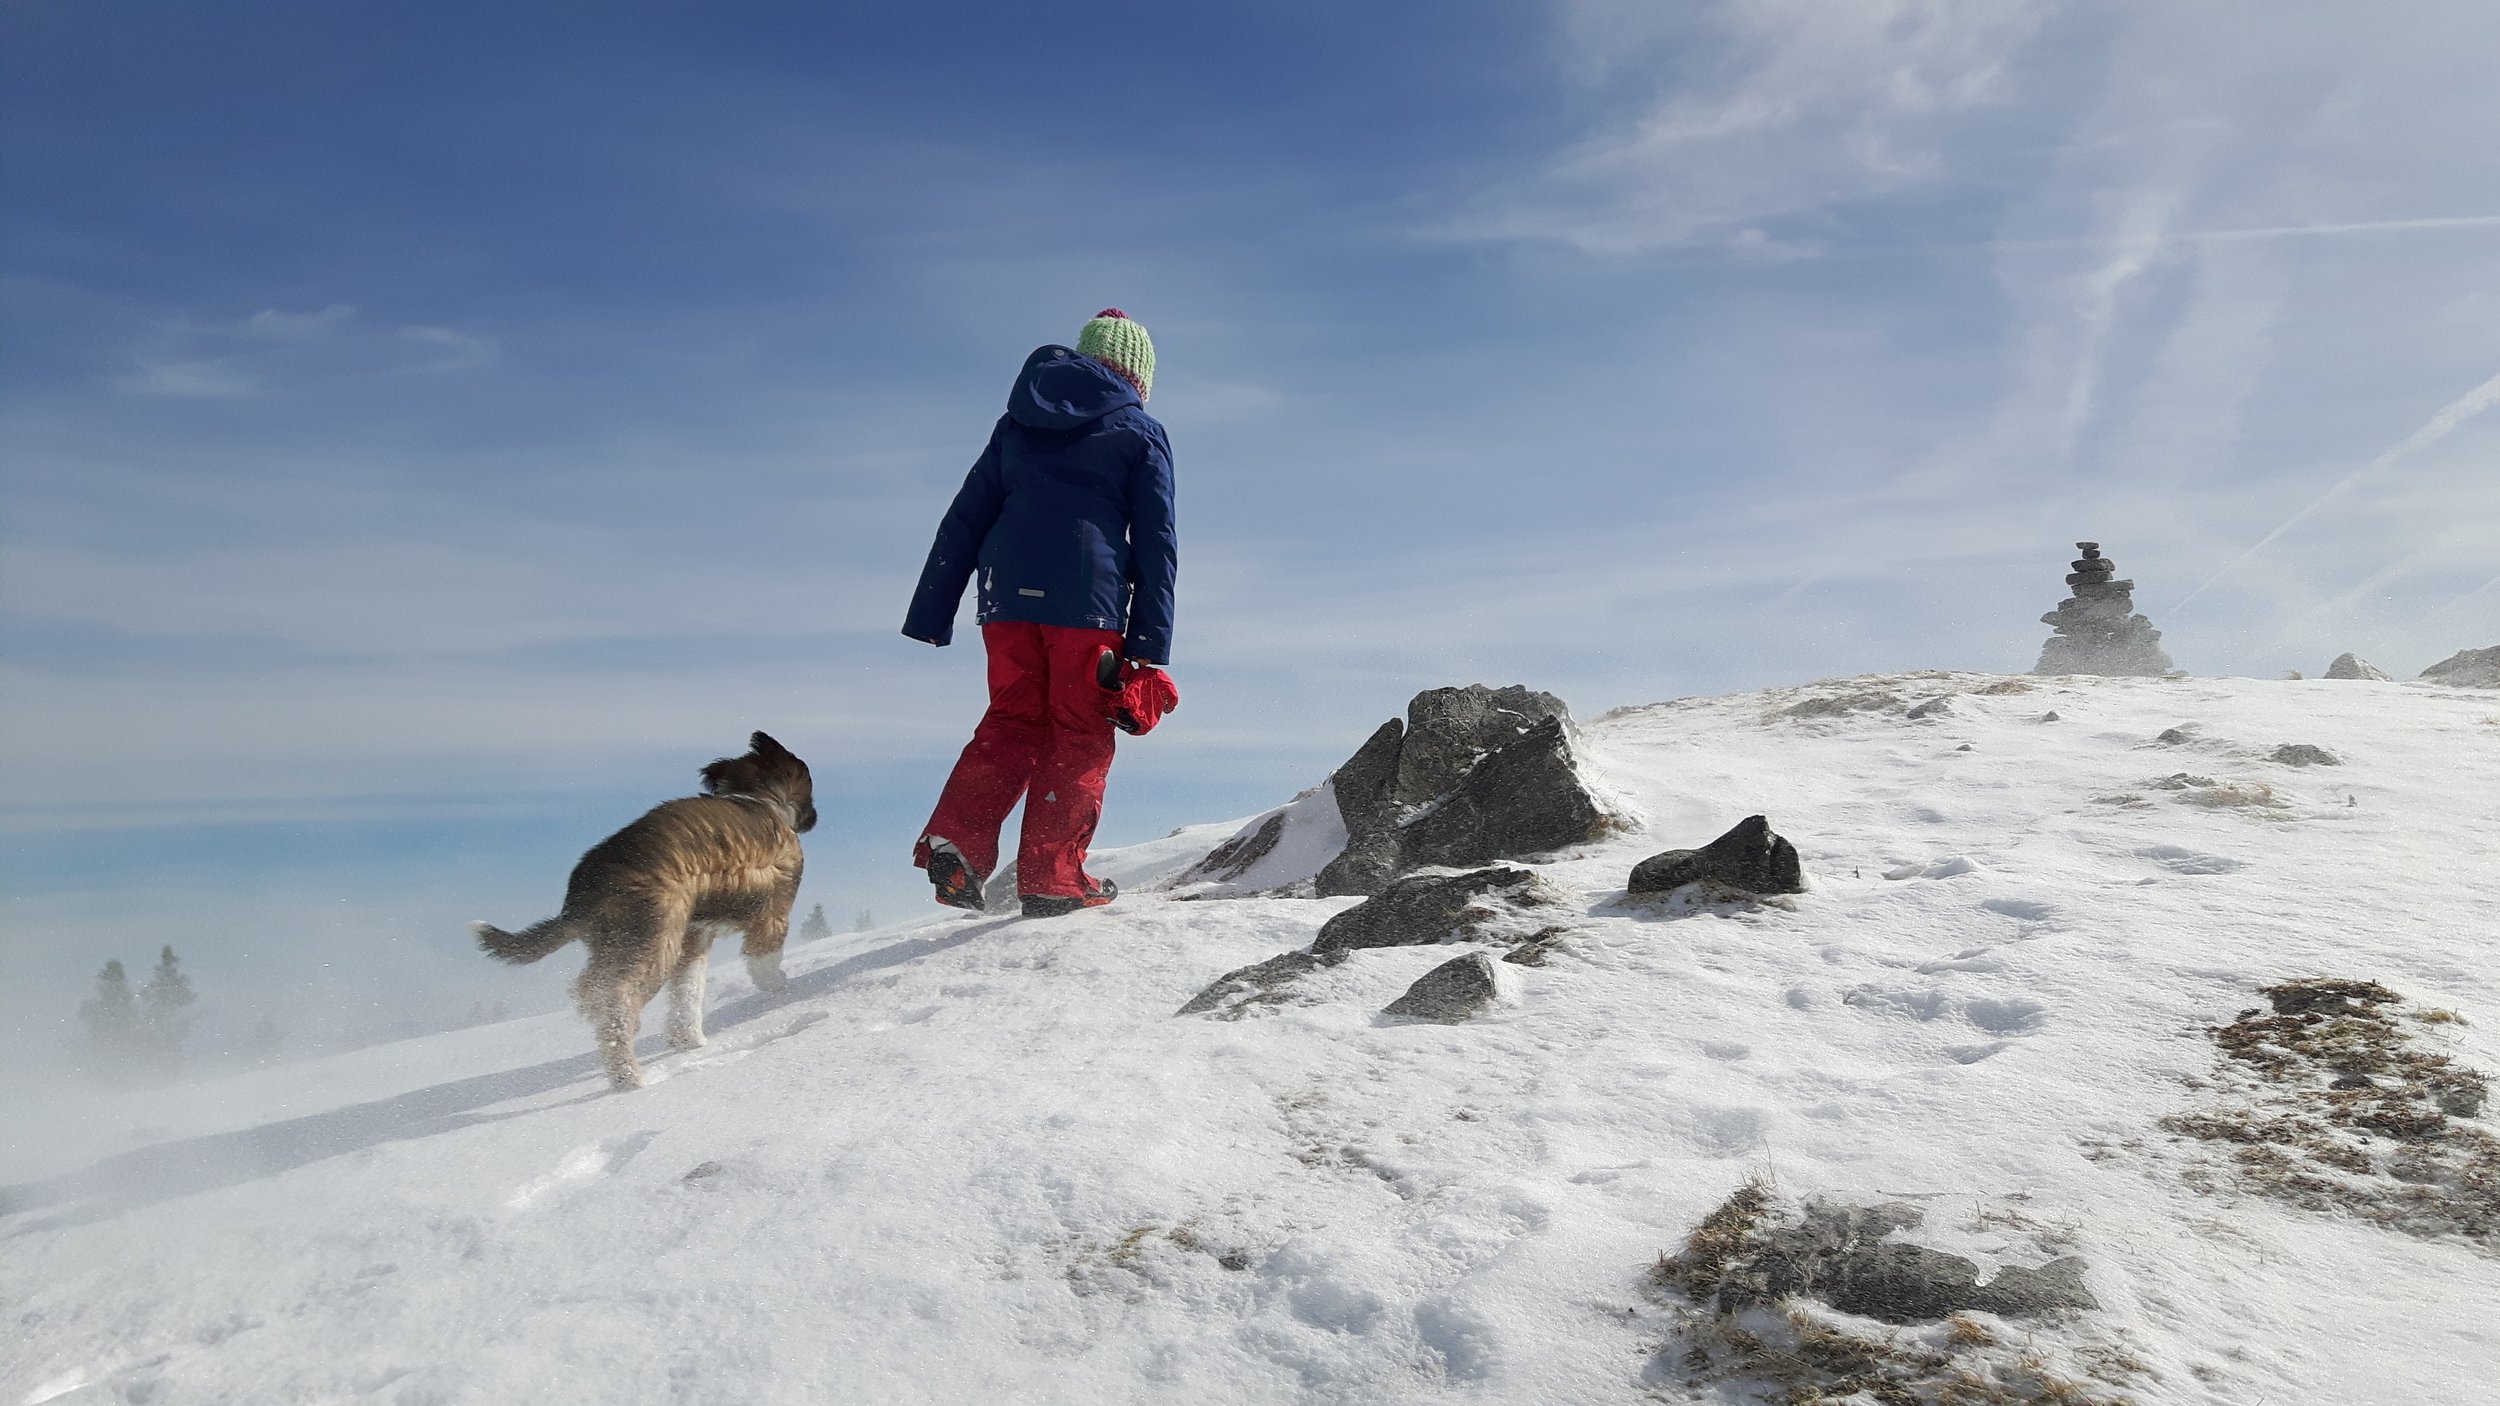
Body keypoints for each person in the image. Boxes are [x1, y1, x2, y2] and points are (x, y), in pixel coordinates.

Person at [902, 310, 1177, 918]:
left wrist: (932, 612)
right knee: (1079, 729)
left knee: (1011, 720)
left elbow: (965, 517)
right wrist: (1150, 643)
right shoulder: (1140, 429)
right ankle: (1054, 879)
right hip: (1086, 603)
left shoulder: (1015, 424)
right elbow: (1157, 541)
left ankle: (959, 845)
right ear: (1137, 376)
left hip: (1003, 601)